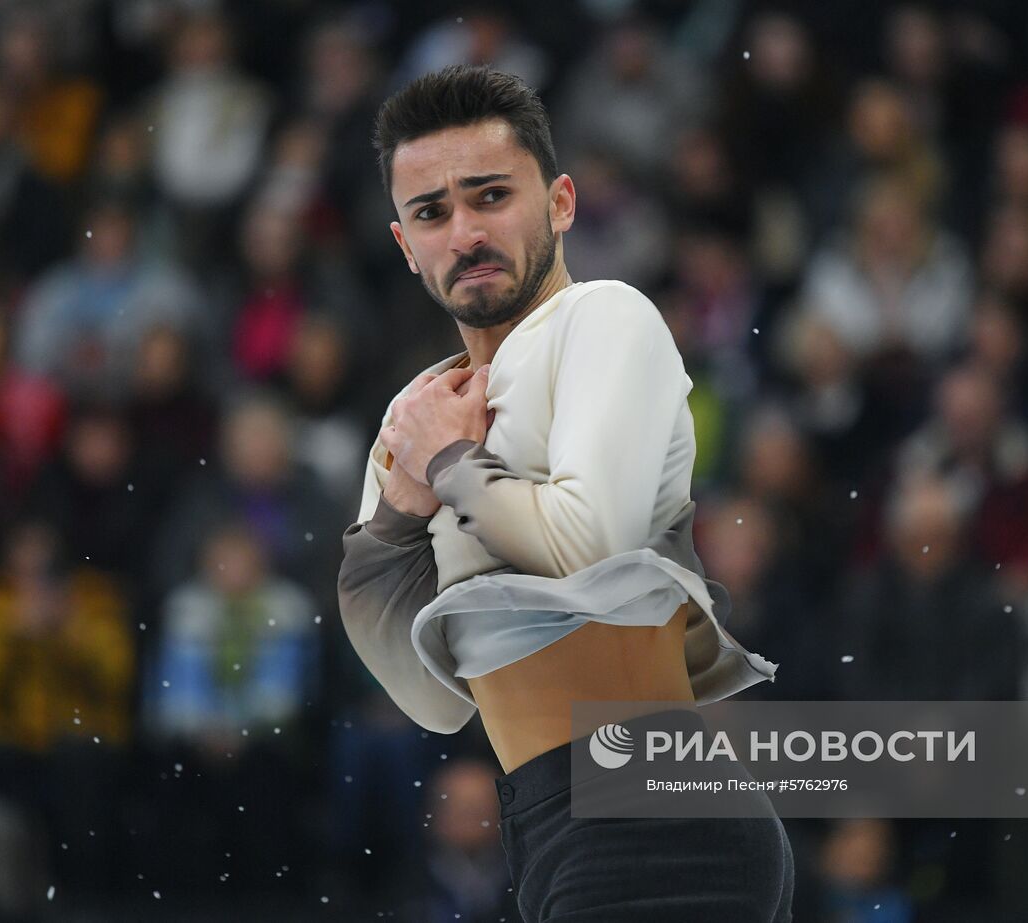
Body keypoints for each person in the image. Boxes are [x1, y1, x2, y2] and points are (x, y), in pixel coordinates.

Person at [336, 65, 793, 921]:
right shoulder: (423, 412)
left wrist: (449, 470)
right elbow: (428, 695)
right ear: (405, 245)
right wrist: (398, 516)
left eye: (491, 196)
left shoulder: (607, 319)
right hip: (544, 823)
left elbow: (590, 550)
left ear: (561, 203)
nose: (464, 231)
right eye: (432, 212)